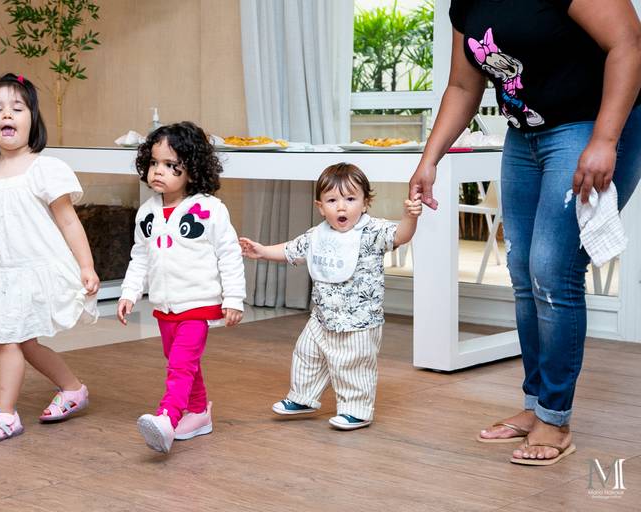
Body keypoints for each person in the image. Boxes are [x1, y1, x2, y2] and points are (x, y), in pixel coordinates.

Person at [408, 1, 641, 465]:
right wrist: (429, 159)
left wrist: (604, 140)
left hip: (588, 125)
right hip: (526, 134)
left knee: (552, 272)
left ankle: (554, 417)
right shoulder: (467, 2)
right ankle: (536, 405)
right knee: (521, 270)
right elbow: (462, 84)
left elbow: (629, 44)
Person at [0, 73, 99, 443]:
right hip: (6, 273)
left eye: (17, 107)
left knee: (9, 338)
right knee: (23, 342)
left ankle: (6, 414)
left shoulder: (46, 168)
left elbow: (68, 220)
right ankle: (73, 388)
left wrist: (87, 265)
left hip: (42, 268)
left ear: (33, 120)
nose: (7, 114)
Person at [240, 163, 422, 430]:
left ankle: (356, 410)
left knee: (352, 365)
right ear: (320, 206)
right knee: (306, 354)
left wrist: (410, 217)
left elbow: (401, 235)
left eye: (350, 199)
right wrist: (263, 251)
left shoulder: (372, 232)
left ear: (365, 202)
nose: (341, 207)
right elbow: (292, 250)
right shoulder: (318, 234)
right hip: (322, 317)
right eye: (332, 200)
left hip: (359, 322)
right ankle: (303, 397)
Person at [117, 121, 246, 454]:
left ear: (193, 170)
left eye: (172, 166)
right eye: (155, 163)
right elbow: (140, 256)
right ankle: (200, 412)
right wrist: (130, 292)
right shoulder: (146, 212)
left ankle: (167, 417)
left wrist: (234, 298)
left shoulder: (210, 210)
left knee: (180, 365)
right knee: (181, 362)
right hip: (164, 305)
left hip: (198, 303)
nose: (159, 171)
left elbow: (229, 254)